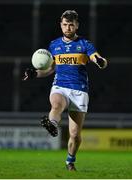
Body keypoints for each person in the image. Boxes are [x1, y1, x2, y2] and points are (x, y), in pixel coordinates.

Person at [23, 10, 107, 171]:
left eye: (71, 24)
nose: (67, 27)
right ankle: (52, 124)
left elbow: (97, 58)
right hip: (60, 86)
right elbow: (50, 69)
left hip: (79, 91)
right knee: (56, 105)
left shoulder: (85, 44)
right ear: (60, 25)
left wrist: (100, 61)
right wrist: (34, 73)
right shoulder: (54, 45)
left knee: (75, 135)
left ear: (76, 25)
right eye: (65, 24)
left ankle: (70, 160)